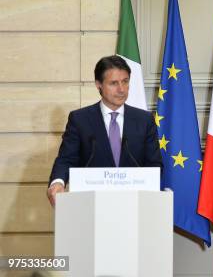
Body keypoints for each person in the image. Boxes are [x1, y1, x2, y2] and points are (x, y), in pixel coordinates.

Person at [47, 55, 162, 207]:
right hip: (90, 206)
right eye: (114, 83)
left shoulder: (144, 120)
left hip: (134, 206)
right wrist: (58, 182)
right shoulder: (80, 119)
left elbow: (155, 165)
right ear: (98, 84)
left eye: (125, 81)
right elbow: (66, 159)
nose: (121, 89)